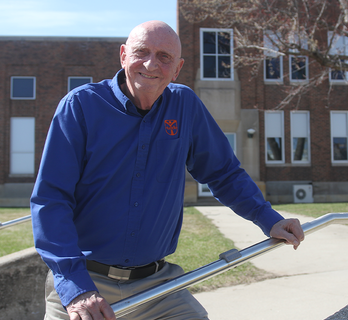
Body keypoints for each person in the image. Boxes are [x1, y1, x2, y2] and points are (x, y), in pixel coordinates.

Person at [30, 20, 305, 320]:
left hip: (157, 288)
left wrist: (268, 219)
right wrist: (76, 287)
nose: (151, 64)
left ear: (177, 68)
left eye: (164, 57)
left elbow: (223, 172)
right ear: (123, 56)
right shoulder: (80, 107)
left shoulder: (184, 105)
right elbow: (51, 199)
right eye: (141, 52)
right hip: (86, 282)